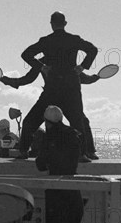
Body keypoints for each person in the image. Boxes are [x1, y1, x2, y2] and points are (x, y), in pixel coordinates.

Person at [19, 11, 98, 162]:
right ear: (65, 23)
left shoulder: (46, 41)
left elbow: (26, 54)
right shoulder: (74, 39)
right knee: (77, 121)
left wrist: (42, 67)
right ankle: (82, 154)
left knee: (30, 120)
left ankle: (23, 150)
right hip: (71, 87)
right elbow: (93, 49)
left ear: (51, 24)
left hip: (53, 87)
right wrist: (82, 67)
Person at [0, 56, 100, 159]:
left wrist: (7, 80)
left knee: (29, 122)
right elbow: (28, 78)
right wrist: (95, 77)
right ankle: (88, 152)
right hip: (63, 97)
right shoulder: (52, 61)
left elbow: (28, 78)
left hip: (53, 96)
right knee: (82, 122)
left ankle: (23, 151)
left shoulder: (43, 62)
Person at [36, 105, 84, 223]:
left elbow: (40, 164)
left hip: (55, 192)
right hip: (73, 190)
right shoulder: (73, 134)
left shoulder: (49, 137)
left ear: (47, 122)